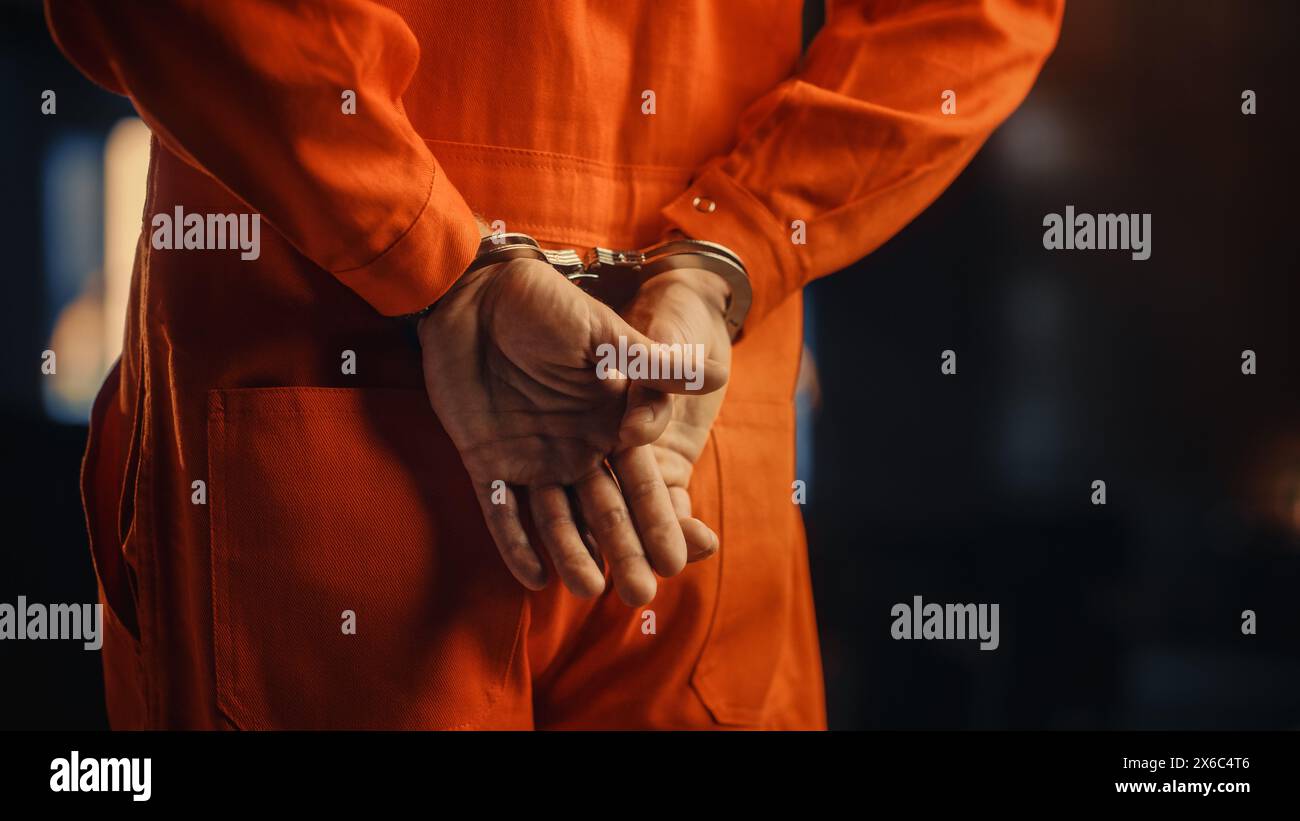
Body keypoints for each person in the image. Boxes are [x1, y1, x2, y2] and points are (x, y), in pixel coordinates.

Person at [49, 0, 1063, 730]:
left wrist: (433, 255)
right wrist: (731, 248)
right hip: (685, 424)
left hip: (322, 387)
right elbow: (977, 15)